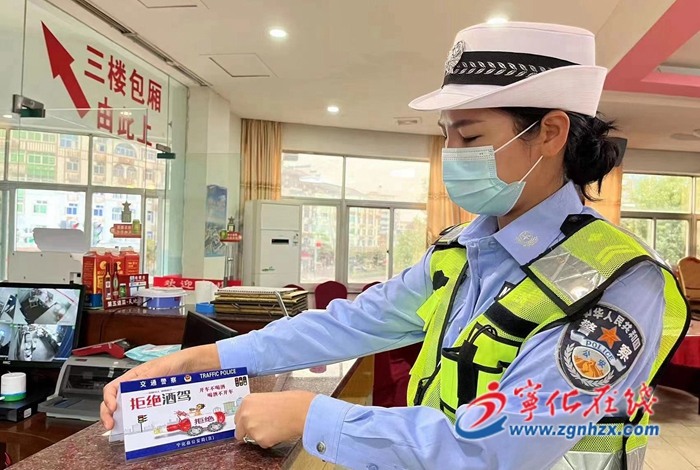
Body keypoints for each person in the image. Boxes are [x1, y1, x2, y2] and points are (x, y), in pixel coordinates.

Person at [102, 22, 688, 470]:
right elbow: (350, 323)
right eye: (446, 136)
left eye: (470, 136)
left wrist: (315, 417)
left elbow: (502, 448)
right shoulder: (463, 250)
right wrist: (198, 359)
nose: (451, 155)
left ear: (551, 133)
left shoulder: (620, 280)